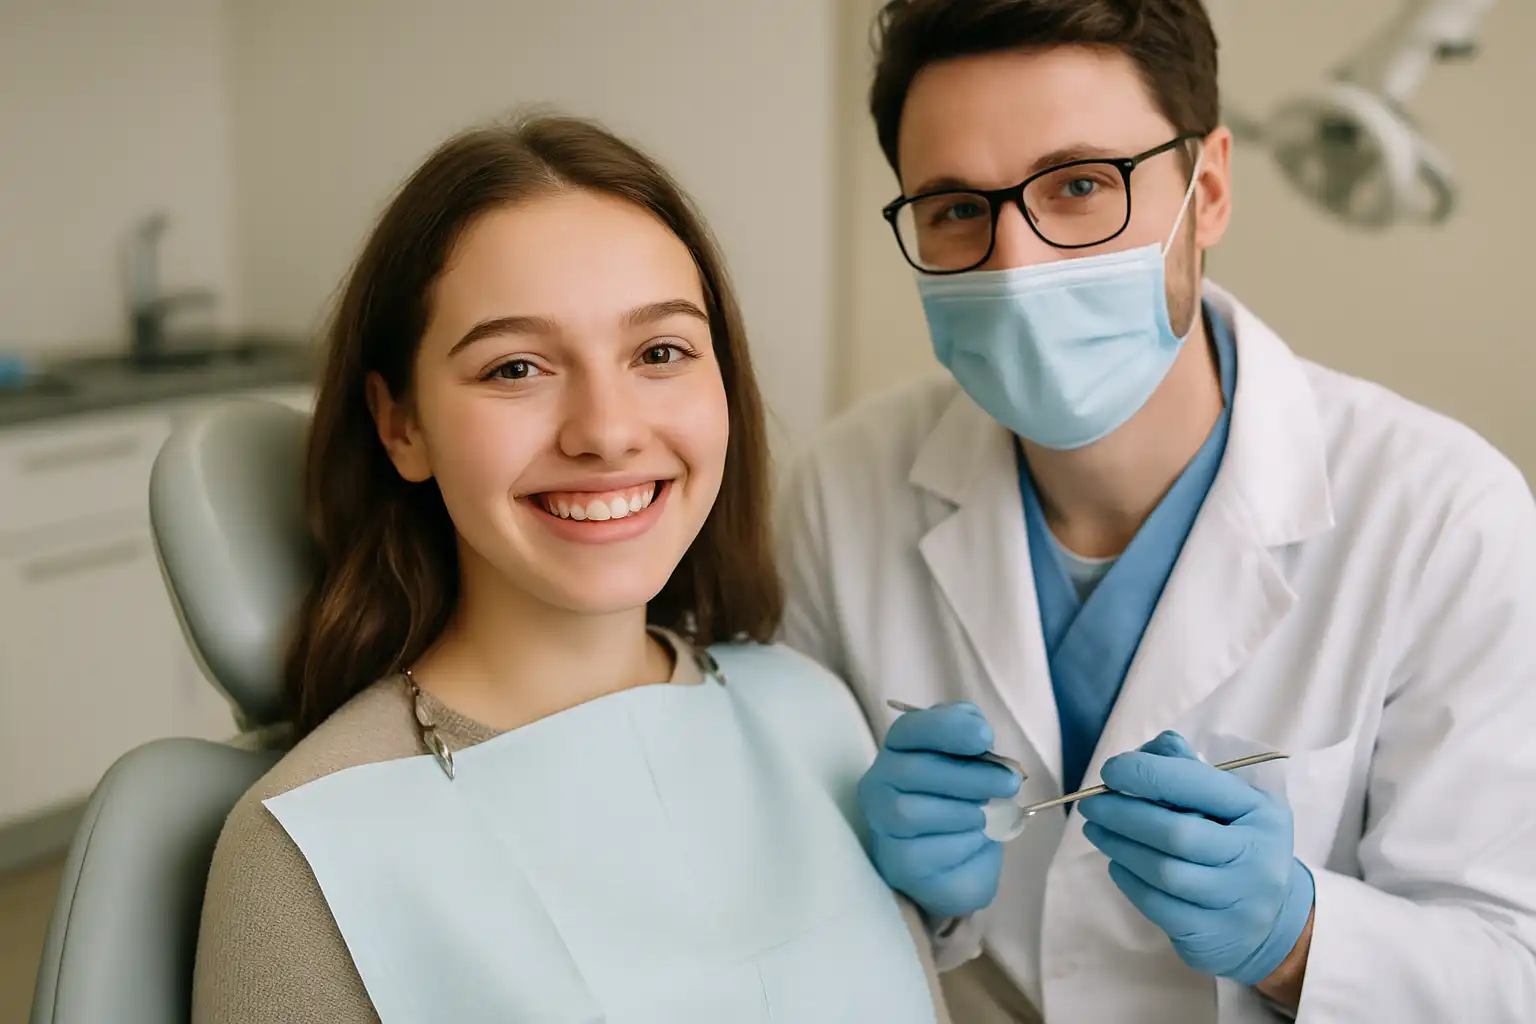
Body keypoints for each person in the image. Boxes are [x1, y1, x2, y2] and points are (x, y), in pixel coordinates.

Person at [777, 1, 1536, 1021]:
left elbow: (1512, 969)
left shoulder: (1442, 514)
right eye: (956, 208)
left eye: (1081, 185)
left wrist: (1295, 938)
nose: (1016, 266)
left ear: (1209, 189)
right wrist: (894, 889)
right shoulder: (842, 487)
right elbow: (776, 927)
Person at [191, 114, 952, 1023]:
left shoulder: (812, 709)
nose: (606, 431)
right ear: (402, 425)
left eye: (659, 353)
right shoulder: (306, 847)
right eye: (516, 367)